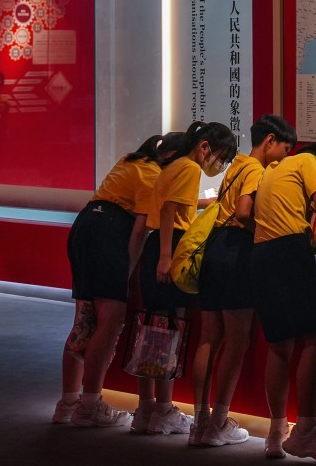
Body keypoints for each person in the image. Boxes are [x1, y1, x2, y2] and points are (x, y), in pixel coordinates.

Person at [52, 132, 184, 428]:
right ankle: (90, 405)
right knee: (110, 320)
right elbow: (139, 232)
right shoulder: (153, 176)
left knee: (85, 319)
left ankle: (68, 403)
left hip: (85, 225)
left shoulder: (132, 161)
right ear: (175, 158)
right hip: (110, 234)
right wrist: (126, 274)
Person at [188, 115, 298, 448]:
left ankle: (200, 423)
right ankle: (218, 423)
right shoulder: (256, 171)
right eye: (284, 148)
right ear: (269, 141)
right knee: (236, 342)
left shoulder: (235, 165)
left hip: (215, 250)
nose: (285, 156)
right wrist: (268, 233)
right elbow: (243, 212)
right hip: (237, 251)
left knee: (210, 338)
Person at [132, 121, 239, 435]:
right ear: (205, 147)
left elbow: (177, 206)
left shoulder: (176, 164)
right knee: (168, 328)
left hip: (158, 245)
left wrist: (211, 203)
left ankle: (146, 409)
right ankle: (163, 410)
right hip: (171, 245)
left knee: (153, 326)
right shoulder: (191, 169)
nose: (218, 164)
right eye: (220, 156)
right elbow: (168, 211)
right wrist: (167, 257)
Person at [250, 143, 316, 464]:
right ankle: (306, 430)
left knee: (280, 344)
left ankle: (276, 433)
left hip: (262, 254)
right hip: (289, 252)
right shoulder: (307, 160)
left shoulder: (271, 171)